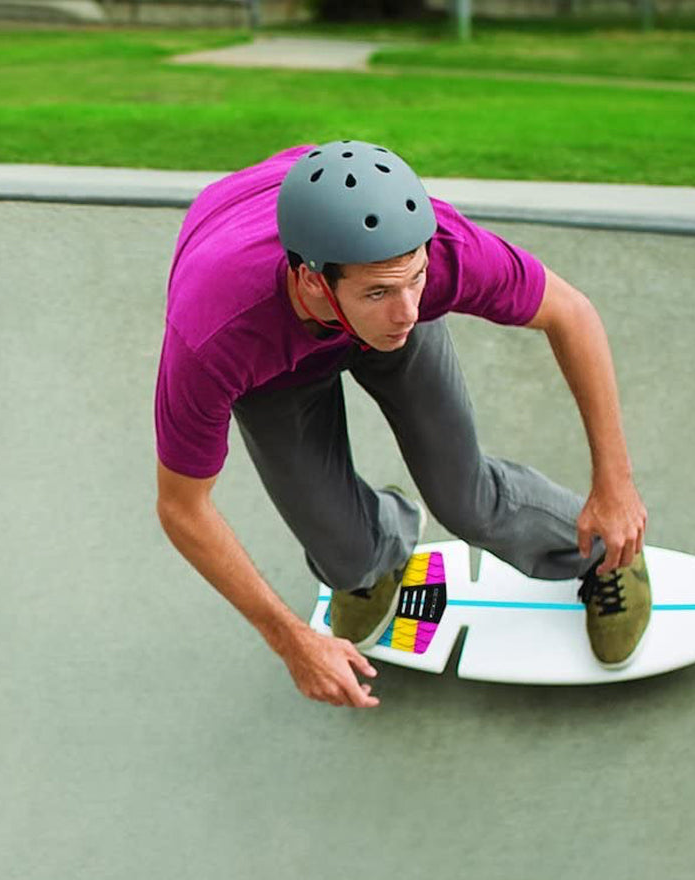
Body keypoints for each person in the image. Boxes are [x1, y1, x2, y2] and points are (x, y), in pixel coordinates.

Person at [155, 141, 650, 709]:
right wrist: (290, 639)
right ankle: (381, 544)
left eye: (415, 279)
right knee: (346, 557)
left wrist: (615, 486)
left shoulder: (436, 256)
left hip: (337, 295)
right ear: (313, 282)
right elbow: (182, 508)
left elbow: (571, 313)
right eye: (381, 291)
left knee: (464, 498)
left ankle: (607, 556)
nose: (409, 310)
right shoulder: (215, 336)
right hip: (273, 358)